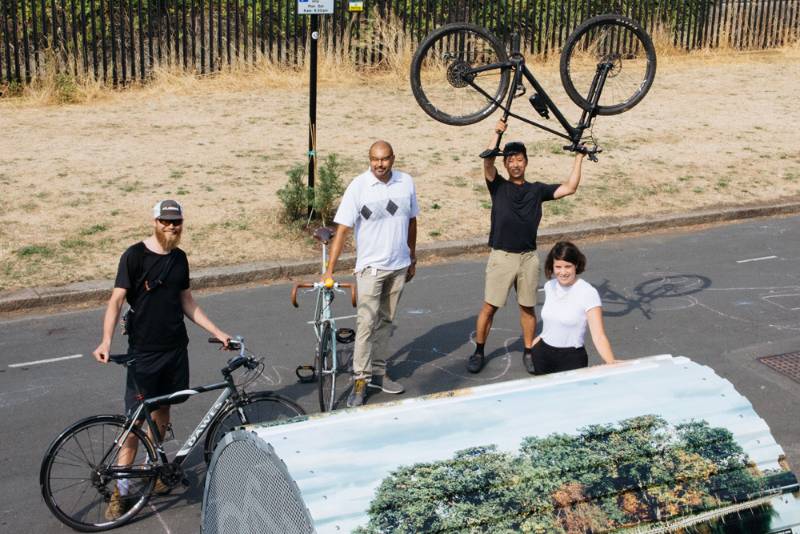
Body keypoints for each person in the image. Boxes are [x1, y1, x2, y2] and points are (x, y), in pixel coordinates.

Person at [92, 199, 231, 520]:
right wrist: (105, 340)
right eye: (165, 221)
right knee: (134, 422)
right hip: (144, 352)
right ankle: (121, 492)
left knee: (163, 411)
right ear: (154, 222)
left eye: (177, 222)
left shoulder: (180, 259)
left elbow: (187, 301)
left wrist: (218, 331)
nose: (171, 227)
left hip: (174, 349)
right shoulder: (134, 256)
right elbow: (115, 301)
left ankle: (153, 473)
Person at [466, 119, 586, 374]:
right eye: (510, 160)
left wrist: (579, 157)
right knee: (489, 307)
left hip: (528, 258)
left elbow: (570, 187)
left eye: (519, 159)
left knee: (527, 307)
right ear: (505, 164)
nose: (515, 164)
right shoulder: (497, 185)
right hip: (502, 256)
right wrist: (497, 133)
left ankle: (530, 350)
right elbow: (487, 160)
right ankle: (479, 350)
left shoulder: (536, 190)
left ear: (526, 162)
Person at [323, 140, 418, 408]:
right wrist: (329, 270)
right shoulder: (358, 186)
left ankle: (378, 371)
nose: (380, 164)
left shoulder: (406, 183)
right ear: (369, 159)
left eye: (385, 159)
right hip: (370, 269)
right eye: (375, 159)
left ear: (393, 158)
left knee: (386, 321)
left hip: (398, 265)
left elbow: (412, 220)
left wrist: (412, 256)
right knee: (366, 324)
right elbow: (342, 230)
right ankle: (360, 379)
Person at [530, 241, 617, 374]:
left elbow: (598, 336)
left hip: (571, 359)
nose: (563, 272)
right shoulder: (550, 286)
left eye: (567, 266)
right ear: (552, 267)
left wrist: (611, 363)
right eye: (558, 267)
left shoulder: (588, 292)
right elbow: (551, 322)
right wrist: (535, 344)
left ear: (576, 265)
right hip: (542, 355)